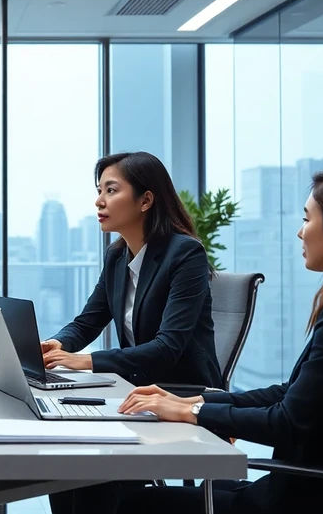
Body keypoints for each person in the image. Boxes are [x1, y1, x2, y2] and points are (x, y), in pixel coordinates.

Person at [115, 167, 323, 514]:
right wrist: (195, 401)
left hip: (310, 499)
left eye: (307, 219)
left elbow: (289, 423)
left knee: (135, 504)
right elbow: (292, 394)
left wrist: (194, 413)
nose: (300, 232)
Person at [44, 151, 222, 514]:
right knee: (63, 456)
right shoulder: (117, 256)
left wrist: (84, 362)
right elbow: (87, 321)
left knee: (94, 465)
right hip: (133, 390)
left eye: (111, 189)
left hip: (180, 392)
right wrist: (55, 345)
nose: (99, 200)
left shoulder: (185, 254)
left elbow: (167, 348)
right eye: (99, 190)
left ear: (145, 199)